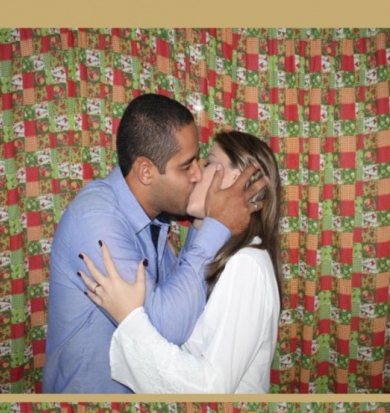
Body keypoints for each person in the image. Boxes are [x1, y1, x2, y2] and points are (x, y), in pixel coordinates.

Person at [44, 93, 267, 393]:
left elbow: (184, 303)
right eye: (186, 166)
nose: (198, 174)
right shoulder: (96, 220)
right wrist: (217, 224)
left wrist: (203, 225)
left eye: (200, 161)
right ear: (146, 171)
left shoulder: (153, 220)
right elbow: (167, 329)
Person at [80, 131, 282, 393]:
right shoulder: (226, 257)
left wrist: (129, 319)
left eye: (208, 163)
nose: (196, 174)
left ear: (237, 180)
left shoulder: (247, 264)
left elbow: (212, 389)